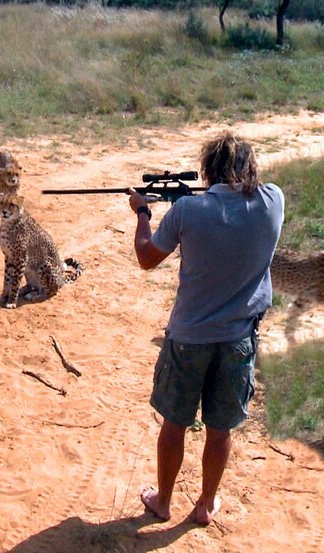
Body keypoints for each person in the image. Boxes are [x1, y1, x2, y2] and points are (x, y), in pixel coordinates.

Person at [127, 132, 284, 525]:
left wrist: (143, 212)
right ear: (249, 168)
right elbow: (242, 197)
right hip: (239, 339)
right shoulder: (273, 202)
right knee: (219, 429)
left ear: (207, 170)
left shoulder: (189, 212)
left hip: (188, 338)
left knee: (174, 423)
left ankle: (163, 501)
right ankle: (205, 504)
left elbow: (147, 258)